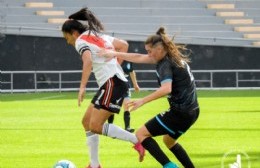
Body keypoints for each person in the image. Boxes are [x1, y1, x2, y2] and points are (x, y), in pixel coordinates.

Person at [98, 27, 200, 168]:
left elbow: (166, 89)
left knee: (141, 135)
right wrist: (115, 53)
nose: (148, 54)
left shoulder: (165, 64)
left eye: (149, 51)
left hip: (180, 113)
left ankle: (170, 167)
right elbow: (138, 57)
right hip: (193, 111)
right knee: (169, 141)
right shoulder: (172, 58)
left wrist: (142, 101)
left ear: (159, 49)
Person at [61, 8, 145, 168]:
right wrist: (115, 65)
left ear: (73, 33)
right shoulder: (96, 35)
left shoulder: (80, 41)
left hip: (112, 83)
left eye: (66, 37)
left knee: (95, 126)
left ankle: (137, 140)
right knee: (86, 122)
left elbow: (88, 61)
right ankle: (94, 165)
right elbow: (124, 45)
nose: (68, 42)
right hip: (112, 82)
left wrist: (82, 87)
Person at [107, 60, 140, 132]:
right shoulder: (114, 59)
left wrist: (135, 84)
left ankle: (127, 127)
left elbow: (131, 71)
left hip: (125, 85)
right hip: (115, 85)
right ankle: (110, 126)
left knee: (127, 105)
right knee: (112, 107)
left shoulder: (128, 59)